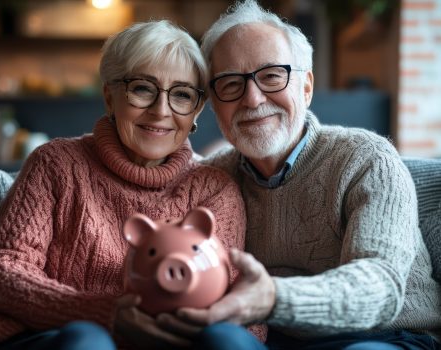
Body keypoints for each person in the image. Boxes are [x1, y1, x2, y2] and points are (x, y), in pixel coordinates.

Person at [0, 20, 255, 350]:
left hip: (178, 340)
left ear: (196, 111)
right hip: (61, 334)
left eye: (181, 94)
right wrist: (102, 314)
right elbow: (4, 271)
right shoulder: (56, 163)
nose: (161, 110)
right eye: (143, 89)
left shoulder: (213, 189)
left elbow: (231, 298)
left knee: (227, 340)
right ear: (110, 97)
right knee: (88, 341)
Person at [158, 1, 441, 349]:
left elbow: (379, 285)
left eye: (272, 75)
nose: (252, 98)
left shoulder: (366, 158)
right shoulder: (215, 176)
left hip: (387, 335)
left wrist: (273, 297)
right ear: (215, 104)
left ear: (305, 86)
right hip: (274, 338)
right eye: (230, 84)